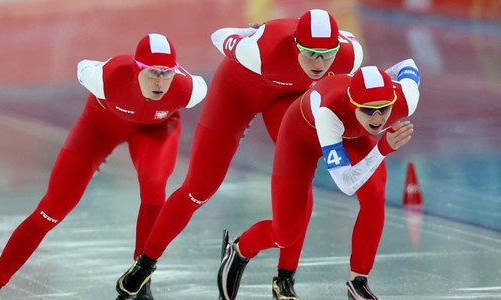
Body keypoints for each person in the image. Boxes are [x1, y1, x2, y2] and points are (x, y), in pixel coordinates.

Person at [115, 9, 363, 300]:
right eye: (310, 53)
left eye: (327, 53)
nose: (319, 63)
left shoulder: (350, 55)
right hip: (238, 91)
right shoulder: (260, 51)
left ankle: (285, 279)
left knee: (301, 176)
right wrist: (248, 34)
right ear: (296, 45)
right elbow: (218, 35)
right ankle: (145, 264)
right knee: (199, 188)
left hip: (287, 97)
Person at [0, 33, 207, 300]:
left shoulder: (190, 90)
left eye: (167, 73)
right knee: (53, 208)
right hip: (100, 125)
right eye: (152, 72)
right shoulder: (105, 77)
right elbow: (83, 65)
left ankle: (141, 280)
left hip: (156, 129)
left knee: (154, 187)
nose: (160, 81)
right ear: (136, 68)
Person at [217, 60, 421, 300]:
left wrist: (379, 82)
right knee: (285, 234)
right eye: (367, 109)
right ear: (353, 102)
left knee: (374, 194)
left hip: (351, 134)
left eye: (383, 108)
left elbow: (408, 65)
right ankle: (239, 250)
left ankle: (358, 282)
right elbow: (346, 184)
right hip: (301, 136)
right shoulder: (330, 112)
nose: (377, 118)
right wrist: (382, 149)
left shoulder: (405, 98)